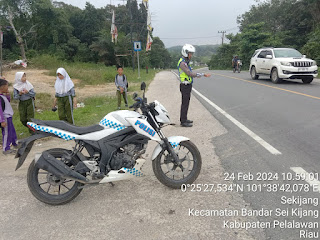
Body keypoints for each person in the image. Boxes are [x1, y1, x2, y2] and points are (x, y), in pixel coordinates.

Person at [177, 44, 211, 127]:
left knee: (186, 103)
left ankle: (185, 118)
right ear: (185, 53)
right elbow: (190, 73)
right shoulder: (182, 63)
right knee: (185, 103)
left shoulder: (185, 62)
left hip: (187, 85)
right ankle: (183, 121)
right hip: (185, 86)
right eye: (190, 53)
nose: (191, 55)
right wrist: (202, 74)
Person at [0, 78, 18, 155]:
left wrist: (7, 94)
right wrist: (2, 121)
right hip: (5, 118)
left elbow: (8, 101)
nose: (7, 87)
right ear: (2, 87)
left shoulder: (2, 96)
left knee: (12, 131)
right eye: (7, 86)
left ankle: (15, 143)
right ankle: (6, 149)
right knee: (6, 133)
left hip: (9, 117)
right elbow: (0, 110)